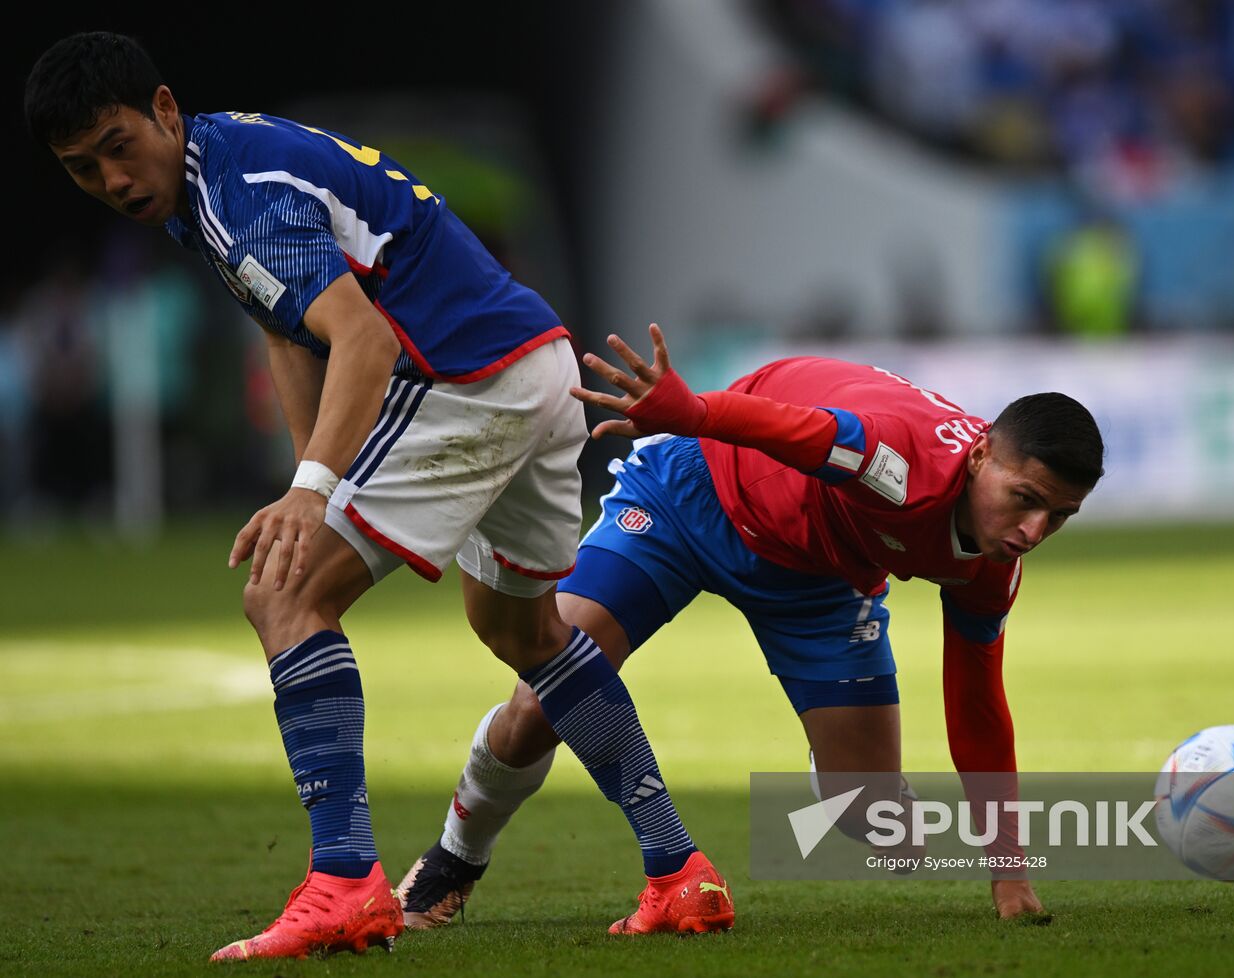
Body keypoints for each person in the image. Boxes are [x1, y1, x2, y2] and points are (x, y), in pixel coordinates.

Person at [24, 33, 732, 960]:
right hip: (531, 363)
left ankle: (346, 883)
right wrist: (305, 480)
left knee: (284, 597)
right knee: (526, 636)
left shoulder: (238, 191)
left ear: (163, 109)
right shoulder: (221, 166)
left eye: (119, 146)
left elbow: (362, 341)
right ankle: (679, 872)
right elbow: (288, 333)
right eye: (83, 170)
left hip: (461, 376)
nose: (113, 179)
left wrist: (318, 491)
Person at [397, 323, 1102, 926]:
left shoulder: (993, 564)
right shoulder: (900, 464)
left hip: (821, 578)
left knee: (879, 821)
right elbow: (801, 431)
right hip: (693, 494)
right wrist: (690, 411)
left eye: (1059, 516)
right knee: (545, 697)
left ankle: (847, 770)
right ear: (981, 456)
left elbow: (977, 703)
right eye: (1026, 499)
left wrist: (1008, 867)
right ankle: (455, 857)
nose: (1036, 529)